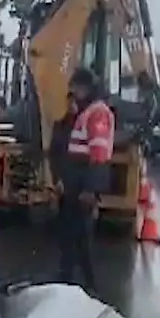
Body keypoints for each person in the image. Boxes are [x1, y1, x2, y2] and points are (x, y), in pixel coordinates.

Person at [56, 67, 114, 290]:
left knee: (80, 239)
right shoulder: (87, 111)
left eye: (76, 88)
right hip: (76, 182)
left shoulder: (96, 113)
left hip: (83, 183)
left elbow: (98, 154)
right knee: (72, 237)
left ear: (86, 88)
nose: (74, 93)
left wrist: (90, 188)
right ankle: (70, 282)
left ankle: (85, 286)